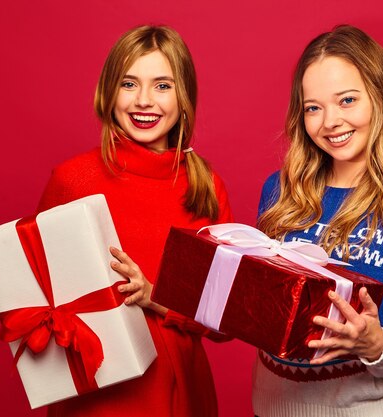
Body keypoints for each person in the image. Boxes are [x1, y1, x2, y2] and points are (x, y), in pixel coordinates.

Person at [252, 25, 383, 417]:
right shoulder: (279, 192)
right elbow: (256, 311)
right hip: (269, 409)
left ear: (380, 98)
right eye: (313, 107)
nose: (329, 121)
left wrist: (374, 343)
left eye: (346, 100)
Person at [37, 25, 232, 417]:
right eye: (129, 83)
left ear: (184, 97)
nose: (145, 101)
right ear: (109, 92)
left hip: (181, 395)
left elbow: (226, 321)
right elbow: (39, 303)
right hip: (95, 397)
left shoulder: (205, 187)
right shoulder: (71, 180)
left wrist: (156, 296)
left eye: (163, 86)